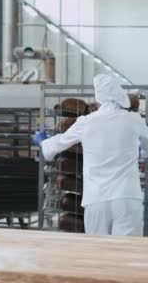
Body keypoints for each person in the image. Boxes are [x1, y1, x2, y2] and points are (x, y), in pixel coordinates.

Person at [33, 74, 147, 236]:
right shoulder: (133, 120)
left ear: (98, 98)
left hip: (96, 199)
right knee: (127, 252)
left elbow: (55, 146)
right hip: (127, 197)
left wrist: (42, 141)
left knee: (98, 250)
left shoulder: (86, 122)